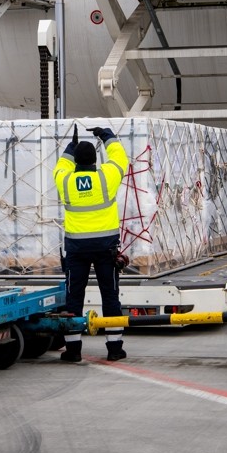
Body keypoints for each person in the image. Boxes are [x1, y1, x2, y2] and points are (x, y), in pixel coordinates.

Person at [54, 125, 129, 362]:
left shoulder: (64, 181)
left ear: (75, 161)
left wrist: (70, 147)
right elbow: (120, 158)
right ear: (96, 159)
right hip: (105, 248)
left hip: (76, 250)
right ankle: (115, 349)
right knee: (110, 296)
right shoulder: (106, 177)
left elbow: (60, 166)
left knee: (74, 297)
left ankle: (73, 351)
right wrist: (105, 134)